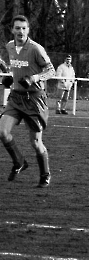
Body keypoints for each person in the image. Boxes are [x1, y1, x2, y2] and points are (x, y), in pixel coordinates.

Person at [0, 15, 56, 188]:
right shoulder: (9, 46)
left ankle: (45, 173)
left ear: (28, 30)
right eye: (17, 28)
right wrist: (10, 78)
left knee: (35, 143)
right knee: (2, 132)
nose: (20, 31)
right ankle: (19, 162)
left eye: (24, 28)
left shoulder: (35, 49)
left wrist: (34, 78)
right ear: (12, 30)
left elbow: (51, 70)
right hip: (16, 98)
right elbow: (16, 67)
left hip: (34, 100)